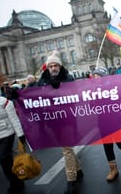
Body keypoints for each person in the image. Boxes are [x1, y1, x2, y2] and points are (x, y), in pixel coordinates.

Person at [37, 50, 83, 194]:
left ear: (60, 66)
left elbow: (75, 96)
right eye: (50, 66)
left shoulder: (68, 78)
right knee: (66, 148)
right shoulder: (42, 80)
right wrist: (16, 95)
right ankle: (79, 168)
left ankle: (71, 180)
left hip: (67, 119)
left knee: (66, 149)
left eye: (55, 65)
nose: (53, 68)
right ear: (47, 68)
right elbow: (32, 96)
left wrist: (60, 89)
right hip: (52, 120)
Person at [92, 67, 121, 182]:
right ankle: (113, 169)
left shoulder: (115, 84)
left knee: (120, 143)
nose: (95, 78)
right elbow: (92, 106)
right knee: (107, 144)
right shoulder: (94, 89)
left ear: (103, 76)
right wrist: (94, 95)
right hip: (103, 121)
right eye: (94, 76)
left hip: (118, 119)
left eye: (97, 76)